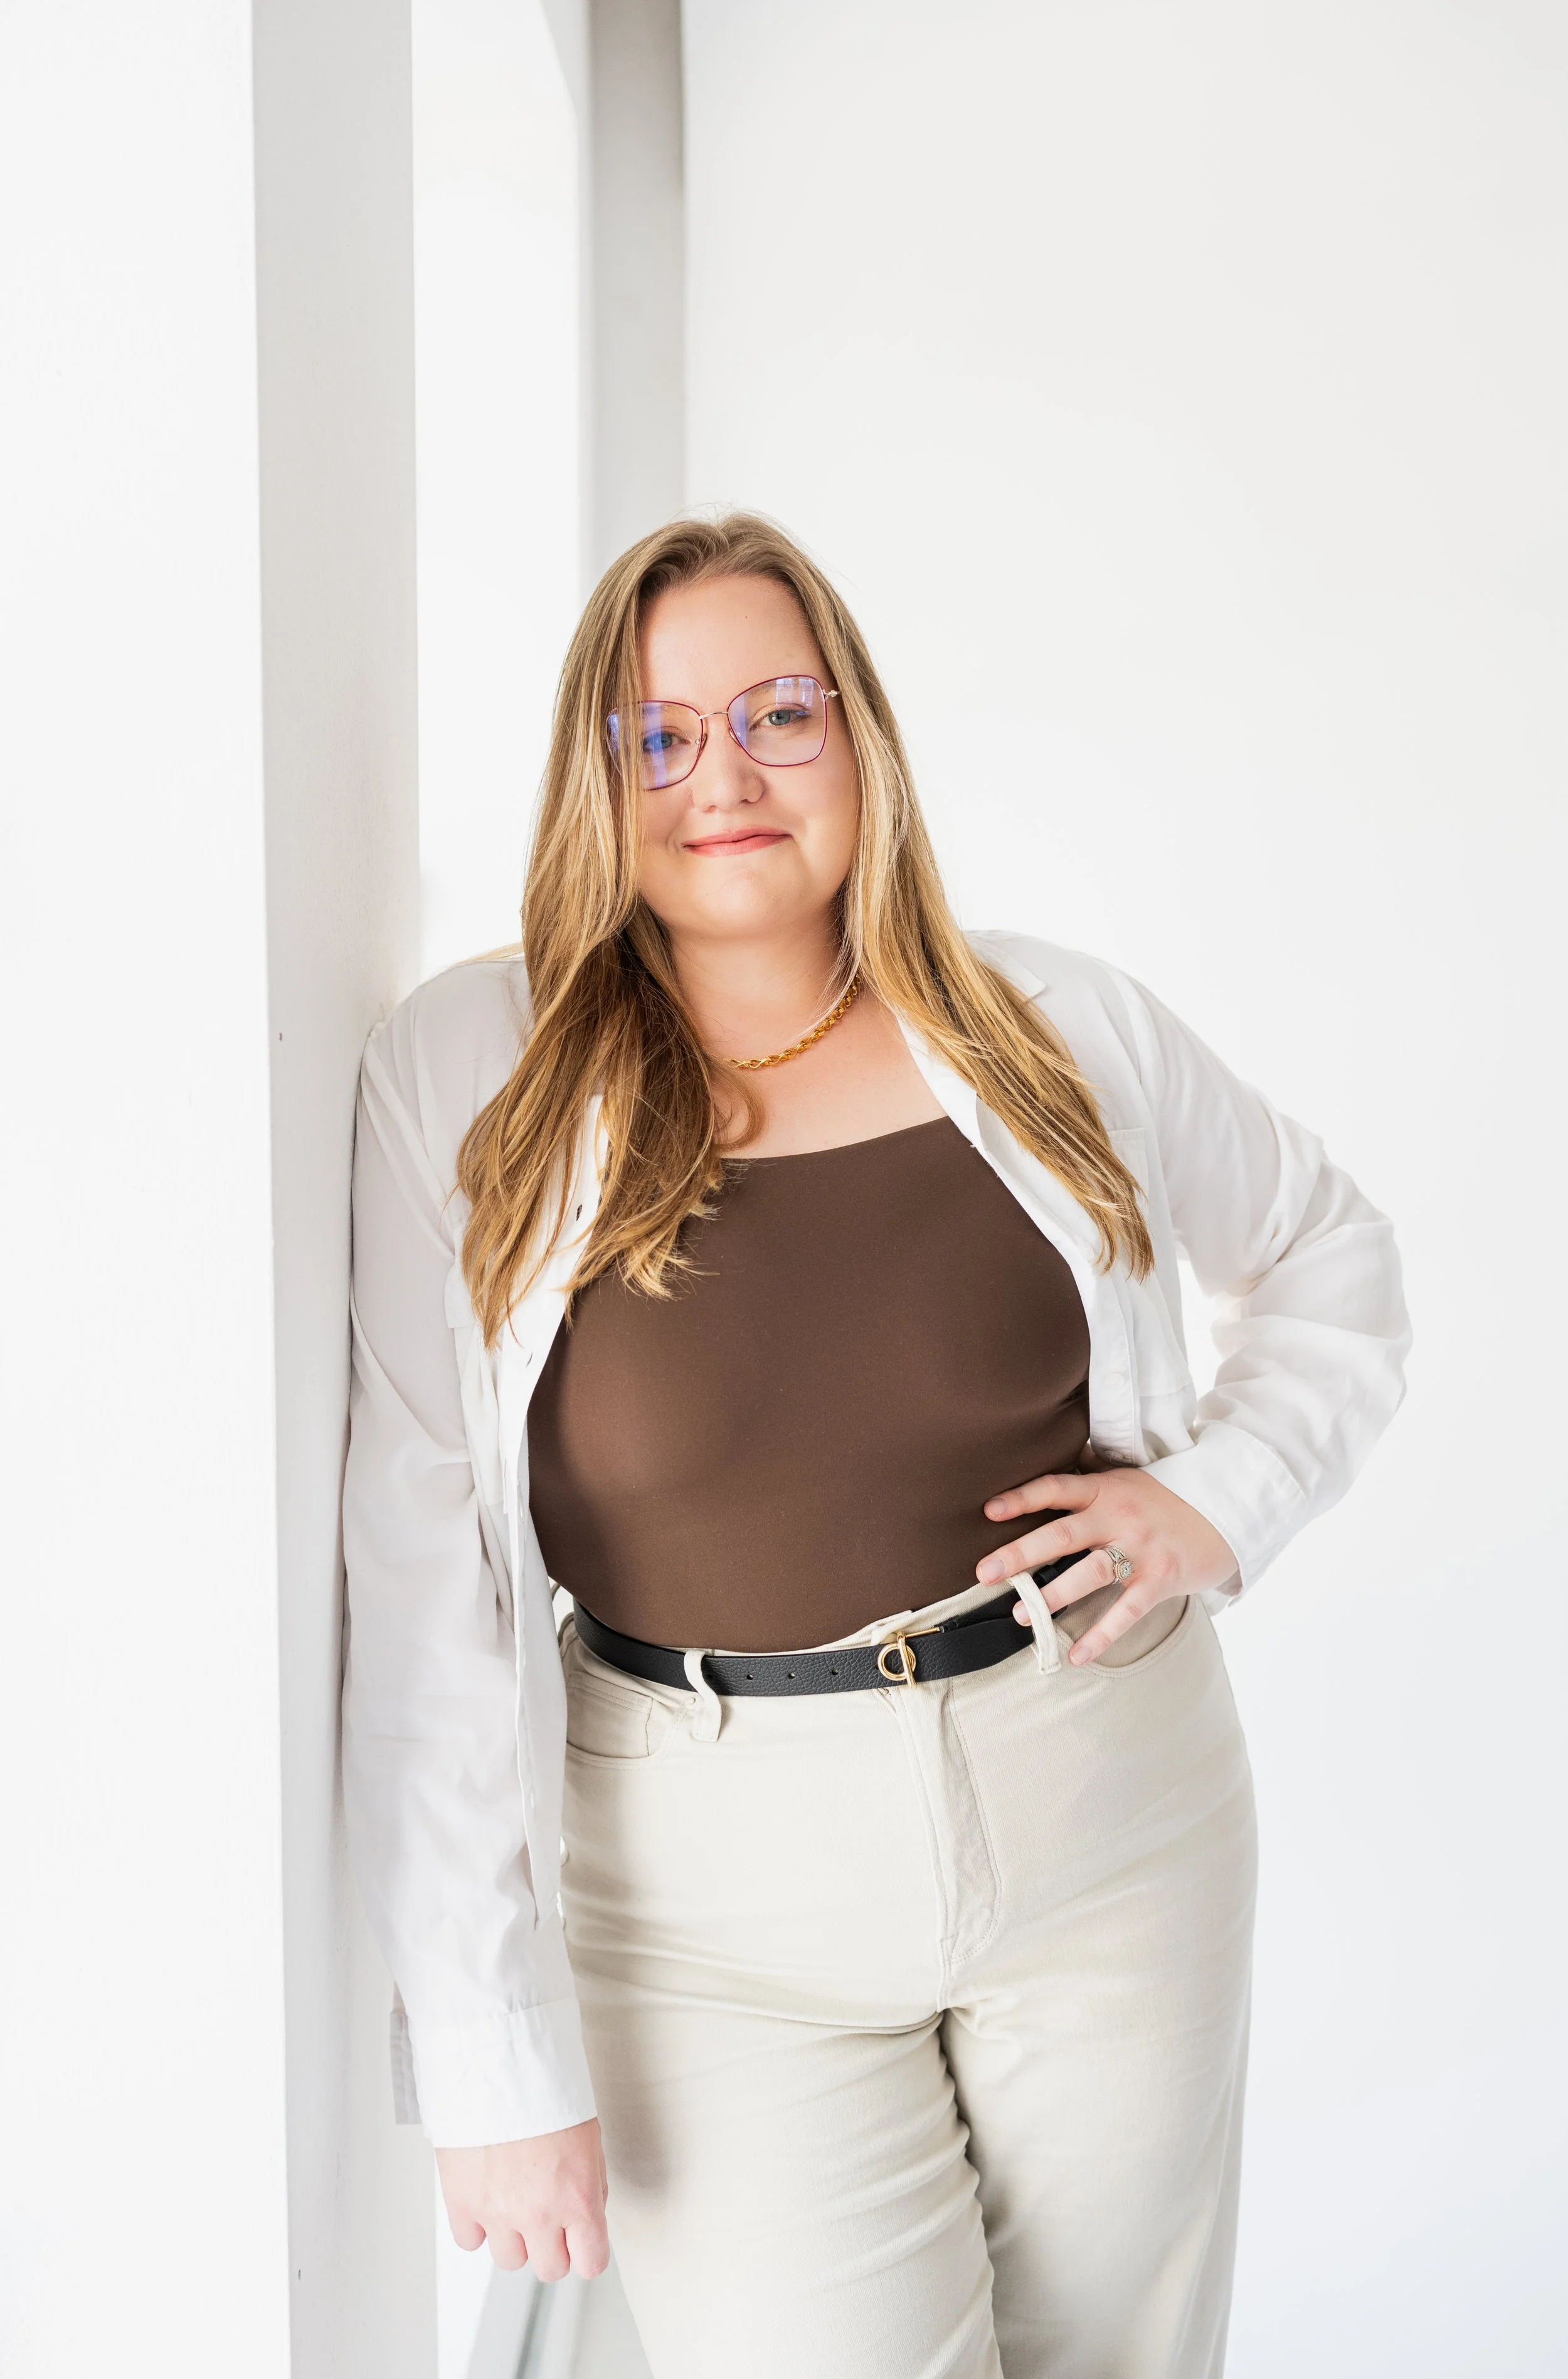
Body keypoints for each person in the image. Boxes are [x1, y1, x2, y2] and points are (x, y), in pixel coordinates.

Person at [342, 513, 1408, 2378]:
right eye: (655, 734)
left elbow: (1330, 1254)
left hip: (1108, 1807)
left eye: (778, 714)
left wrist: (1215, 1502)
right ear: (591, 781)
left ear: (864, 743)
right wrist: (491, 2054)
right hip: (701, 1890)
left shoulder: (1050, 1021)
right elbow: (419, 1556)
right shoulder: (467, 1068)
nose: (724, 778)